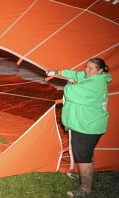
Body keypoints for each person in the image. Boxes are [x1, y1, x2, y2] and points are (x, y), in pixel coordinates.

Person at [46, 58, 112, 197]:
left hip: (87, 127)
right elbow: (75, 75)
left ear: (100, 71)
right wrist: (56, 72)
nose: (86, 70)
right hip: (88, 124)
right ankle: (84, 177)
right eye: (86, 67)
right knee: (86, 154)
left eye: (91, 68)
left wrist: (69, 84)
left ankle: (85, 189)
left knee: (82, 157)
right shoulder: (94, 77)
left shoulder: (95, 85)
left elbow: (70, 92)